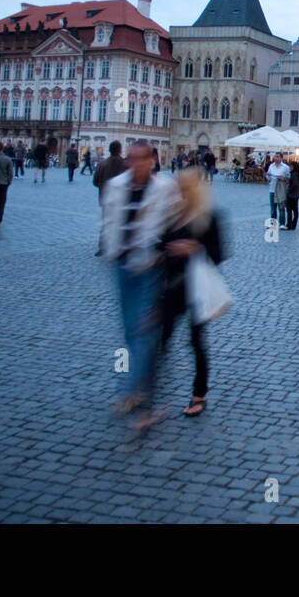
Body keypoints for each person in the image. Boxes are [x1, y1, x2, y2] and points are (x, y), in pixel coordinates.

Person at [100, 140, 177, 431]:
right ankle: (140, 385)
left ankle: (132, 391)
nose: (134, 163)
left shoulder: (165, 188)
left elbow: (173, 223)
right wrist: (111, 249)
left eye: (140, 158)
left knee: (143, 329)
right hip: (123, 264)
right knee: (131, 328)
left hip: (151, 267)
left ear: (152, 161)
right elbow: (109, 221)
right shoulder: (116, 186)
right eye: (130, 158)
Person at [159, 169, 227, 417]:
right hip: (171, 286)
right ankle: (147, 388)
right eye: (178, 188)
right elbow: (160, 244)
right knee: (161, 336)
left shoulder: (209, 217)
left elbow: (219, 254)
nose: (179, 192)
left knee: (196, 341)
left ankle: (199, 394)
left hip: (197, 287)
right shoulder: (173, 212)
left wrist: (194, 248)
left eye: (185, 188)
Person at [93, 141, 126, 255]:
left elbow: (95, 182)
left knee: (106, 222)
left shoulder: (102, 164)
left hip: (105, 197)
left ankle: (102, 247)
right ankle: (119, 245)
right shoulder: (125, 164)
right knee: (122, 221)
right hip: (122, 198)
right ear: (120, 150)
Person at [267, 154, 290, 227]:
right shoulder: (271, 166)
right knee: (273, 208)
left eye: (277, 157)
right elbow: (268, 177)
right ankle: (273, 223)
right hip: (272, 189)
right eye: (275, 156)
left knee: (281, 207)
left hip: (281, 189)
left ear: (281, 158)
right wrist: (268, 176)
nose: (275, 158)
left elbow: (289, 177)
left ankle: (282, 223)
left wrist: (283, 178)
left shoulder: (285, 167)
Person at [285, 159, 299, 230]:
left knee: (290, 210)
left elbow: (295, 184)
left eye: (290, 166)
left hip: (292, 195)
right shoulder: (297, 174)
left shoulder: (294, 175)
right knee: (295, 210)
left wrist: (288, 189)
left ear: (294, 167)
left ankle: (290, 224)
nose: (289, 168)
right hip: (296, 195)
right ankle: (293, 225)